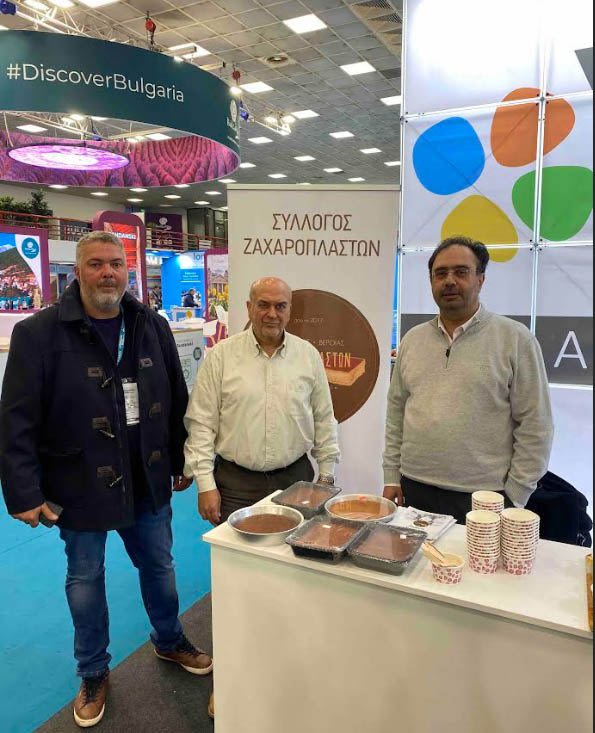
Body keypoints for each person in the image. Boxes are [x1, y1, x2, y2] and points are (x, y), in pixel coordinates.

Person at [0, 231, 213, 729]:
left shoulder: (151, 325)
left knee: (160, 566)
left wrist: (181, 458)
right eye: (96, 264)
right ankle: (93, 671)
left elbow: (176, 396)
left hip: (146, 475)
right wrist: (24, 492)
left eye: (116, 263)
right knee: (85, 581)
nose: (107, 273)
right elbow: (16, 420)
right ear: (77, 272)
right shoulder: (38, 334)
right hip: (78, 482)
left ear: (127, 270)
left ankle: (169, 639)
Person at [383, 236, 554, 524]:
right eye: (440, 273)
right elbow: (396, 413)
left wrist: (516, 493)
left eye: (461, 272)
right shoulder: (412, 340)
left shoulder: (515, 339)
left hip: (485, 497)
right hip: (414, 488)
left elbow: (536, 424)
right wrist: (391, 475)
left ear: (481, 279)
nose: (449, 281)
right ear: (431, 281)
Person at [183, 276, 340, 525]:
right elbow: (201, 423)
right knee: (234, 550)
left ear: (289, 310)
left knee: (293, 549)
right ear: (249, 307)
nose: (272, 314)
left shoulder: (308, 356)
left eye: (280, 306)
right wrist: (205, 484)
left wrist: (326, 475)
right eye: (263, 305)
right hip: (236, 487)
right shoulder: (221, 356)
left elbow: (324, 418)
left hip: (295, 482)